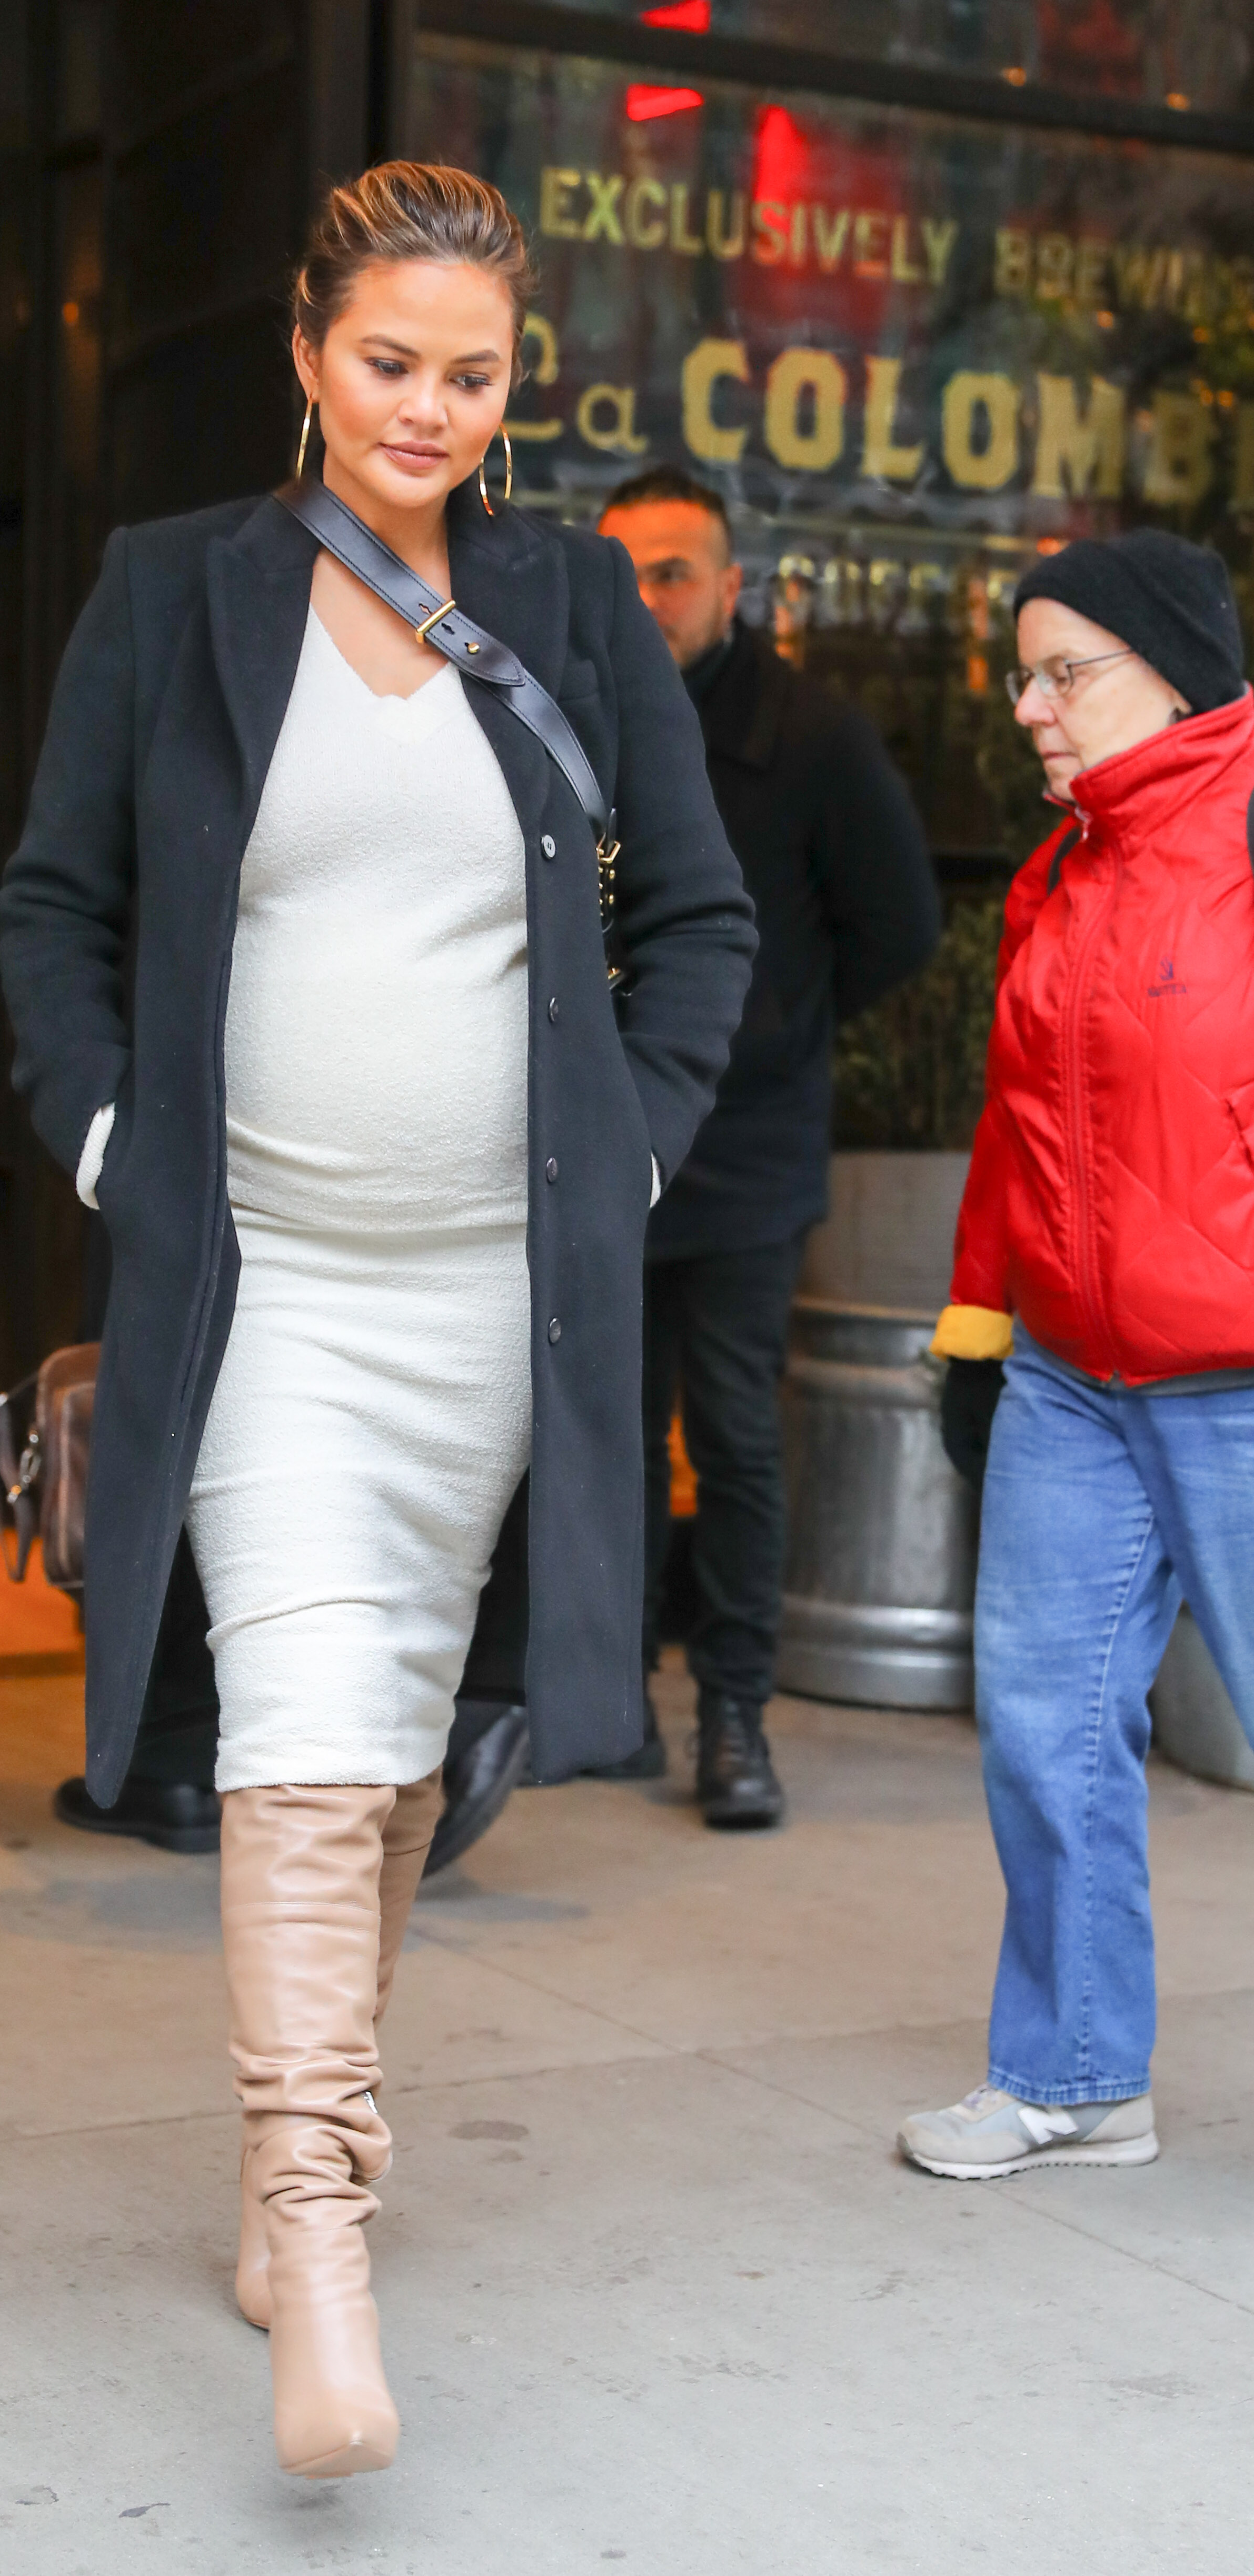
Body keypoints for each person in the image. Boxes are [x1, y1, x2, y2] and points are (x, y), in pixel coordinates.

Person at [0, 165, 754, 2479]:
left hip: (495, 1305)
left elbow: (697, 918)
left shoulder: (574, 605)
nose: (429, 405)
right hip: (271, 1292)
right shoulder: (174, 592)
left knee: (406, 1734)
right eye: (389, 360)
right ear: (309, 357)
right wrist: (118, 1150)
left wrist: (631, 1161)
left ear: (517, 388)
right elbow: (55, 906)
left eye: (473, 372)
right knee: (307, 1731)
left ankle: (291, 2160)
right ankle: (321, 2232)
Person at [901, 528, 1254, 2180]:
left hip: (1237, 1375)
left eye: (1064, 672)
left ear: (1173, 672)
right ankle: (1077, 2071)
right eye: (1022, 677)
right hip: (1069, 1376)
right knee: (1045, 1723)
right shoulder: (1064, 870)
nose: (1032, 707)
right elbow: (1017, 1132)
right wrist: (980, 1332)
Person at [590, 468, 939, 1824]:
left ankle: (734, 1712)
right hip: (607, 1135)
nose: (646, 600)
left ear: (733, 586)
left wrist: (780, 1027)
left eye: (673, 573)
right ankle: (611, 1692)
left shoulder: (813, 735)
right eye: (621, 574)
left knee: (733, 1429)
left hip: (745, 1144)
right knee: (610, 1428)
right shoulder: (570, 714)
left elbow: (899, 927)